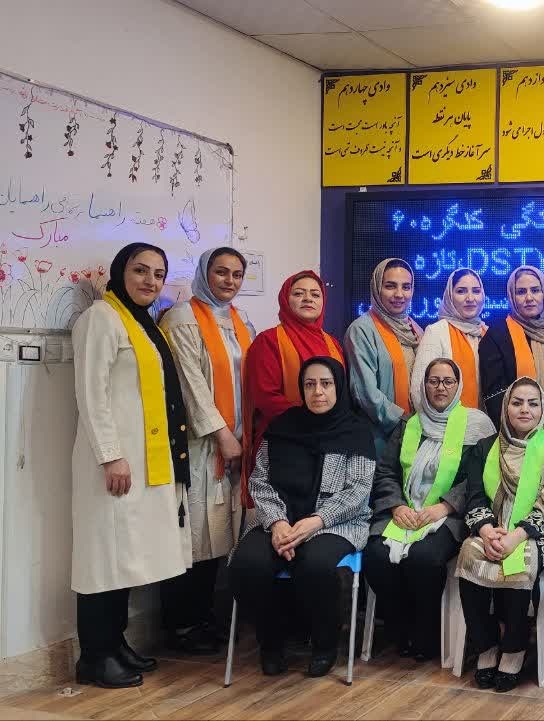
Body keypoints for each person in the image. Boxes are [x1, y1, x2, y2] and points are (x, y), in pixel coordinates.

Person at [70, 243, 192, 688]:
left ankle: (114, 643)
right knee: (102, 559)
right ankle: (93, 656)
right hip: (112, 464)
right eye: (141, 270)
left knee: (124, 557)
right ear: (121, 271)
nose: (150, 281)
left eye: (158, 274)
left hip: (140, 463)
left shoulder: (142, 324)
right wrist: (110, 454)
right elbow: (91, 393)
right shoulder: (100, 319)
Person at [228, 357, 374, 678]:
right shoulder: (282, 427)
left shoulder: (356, 432)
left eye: (326, 384)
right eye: (310, 384)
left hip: (335, 523)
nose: (318, 392)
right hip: (278, 521)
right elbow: (260, 481)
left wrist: (316, 520)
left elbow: (358, 491)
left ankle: (325, 644)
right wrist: (278, 522)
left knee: (315, 564)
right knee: (247, 564)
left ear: (338, 387)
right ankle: (271, 643)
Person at [157, 247, 257, 655]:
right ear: (204, 273)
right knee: (193, 536)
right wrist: (221, 434)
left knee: (218, 536)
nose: (229, 281)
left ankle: (204, 619)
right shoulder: (182, 318)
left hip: (238, 443)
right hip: (202, 445)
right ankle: (181, 624)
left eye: (236, 274)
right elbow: (191, 385)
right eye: (221, 272)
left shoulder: (240, 321)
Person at [363, 357, 495, 662]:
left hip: (449, 517)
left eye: (448, 381)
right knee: (376, 556)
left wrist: (445, 506)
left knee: (424, 558)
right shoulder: (409, 424)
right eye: (433, 381)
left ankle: (427, 635)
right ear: (423, 386)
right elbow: (386, 471)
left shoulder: (476, 425)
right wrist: (396, 505)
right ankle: (400, 630)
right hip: (404, 512)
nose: (440, 388)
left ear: (458, 386)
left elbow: (479, 477)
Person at [456, 377, 544, 692]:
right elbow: (474, 496)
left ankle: (514, 647)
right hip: (492, 528)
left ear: (543, 410)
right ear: (505, 407)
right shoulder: (485, 447)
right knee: (469, 552)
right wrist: (486, 530)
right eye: (517, 402)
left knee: (524, 558)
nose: (524, 409)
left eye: (533, 404)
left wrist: (517, 536)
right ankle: (486, 645)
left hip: (538, 533)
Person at [241, 270, 344, 507]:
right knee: (282, 513)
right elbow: (266, 397)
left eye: (315, 294)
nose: (308, 299)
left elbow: (341, 393)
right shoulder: (268, 341)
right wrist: (311, 426)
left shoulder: (333, 343)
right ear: (285, 299)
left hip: (328, 442)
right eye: (299, 293)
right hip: (283, 440)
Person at [345, 258, 423, 456]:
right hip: (380, 439)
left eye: (406, 287)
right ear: (376, 288)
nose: (399, 294)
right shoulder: (362, 330)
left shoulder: (416, 330)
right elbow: (366, 393)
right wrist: (404, 422)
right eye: (390, 286)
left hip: (416, 436)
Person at [478, 266, 544, 424]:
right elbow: (494, 397)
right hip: (514, 430)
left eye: (535, 290)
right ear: (512, 297)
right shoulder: (496, 336)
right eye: (521, 292)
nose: (529, 297)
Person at [411, 267, 487, 410]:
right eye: (461, 291)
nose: (470, 298)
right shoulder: (436, 332)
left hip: (484, 422)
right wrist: (436, 423)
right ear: (450, 296)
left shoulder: (487, 333)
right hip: (444, 422)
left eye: (476, 291)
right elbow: (418, 390)